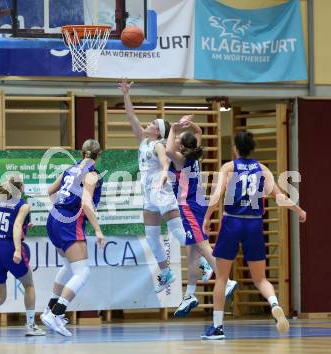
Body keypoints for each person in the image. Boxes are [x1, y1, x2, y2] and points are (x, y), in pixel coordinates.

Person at [201, 131, 307, 340]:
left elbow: (215, 196)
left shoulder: (229, 167)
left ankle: (218, 328)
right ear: (252, 148)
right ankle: (275, 305)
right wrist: (299, 210)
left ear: (235, 148)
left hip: (232, 222)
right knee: (260, 278)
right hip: (254, 224)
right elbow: (280, 197)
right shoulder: (263, 169)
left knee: (222, 277)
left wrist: (206, 218)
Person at [118, 80, 211, 293]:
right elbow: (131, 116)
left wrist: (162, 176)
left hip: (163, 192)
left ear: (158, 132)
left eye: (152, 123)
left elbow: (165, 163)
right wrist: (126, 94)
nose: (147, 124)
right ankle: (166, 272)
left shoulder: (159, 145)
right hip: (149, 195)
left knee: (181, 234)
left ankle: (205, 261)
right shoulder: (143, 140)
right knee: (151, 236)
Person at [165, 117, 238, 317]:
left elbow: (169, 150)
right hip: (196, 203)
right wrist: (190, 126)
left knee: (202, 247)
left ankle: (227, 280)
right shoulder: (193, 154)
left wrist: (173, 128)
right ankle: (190, 294)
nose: (175, 140)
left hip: (189, 206)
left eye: (179, 139)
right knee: (192, 253)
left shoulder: (180, 159)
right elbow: (199, 133)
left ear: (181, 145)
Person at [41, 139, 105, 337]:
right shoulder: (92, 174)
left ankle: (49, 310)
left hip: (54, 218)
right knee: (82, 272)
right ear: (98, 155)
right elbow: (86, 203)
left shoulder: (70, 169)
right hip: (69, 222)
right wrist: (97, 229)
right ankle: (56, 313)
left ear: (82, 153)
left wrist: (61, 208)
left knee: (70, 267)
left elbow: (50, 190)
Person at [0, 175, 45, 336]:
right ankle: (31, 325)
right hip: (10, 246)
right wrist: (18, 250)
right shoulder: (23, 205)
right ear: (22, 188)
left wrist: (25, 224)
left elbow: (3, 223)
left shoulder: (2, 201)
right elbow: (16, 226)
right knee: (29, 285)